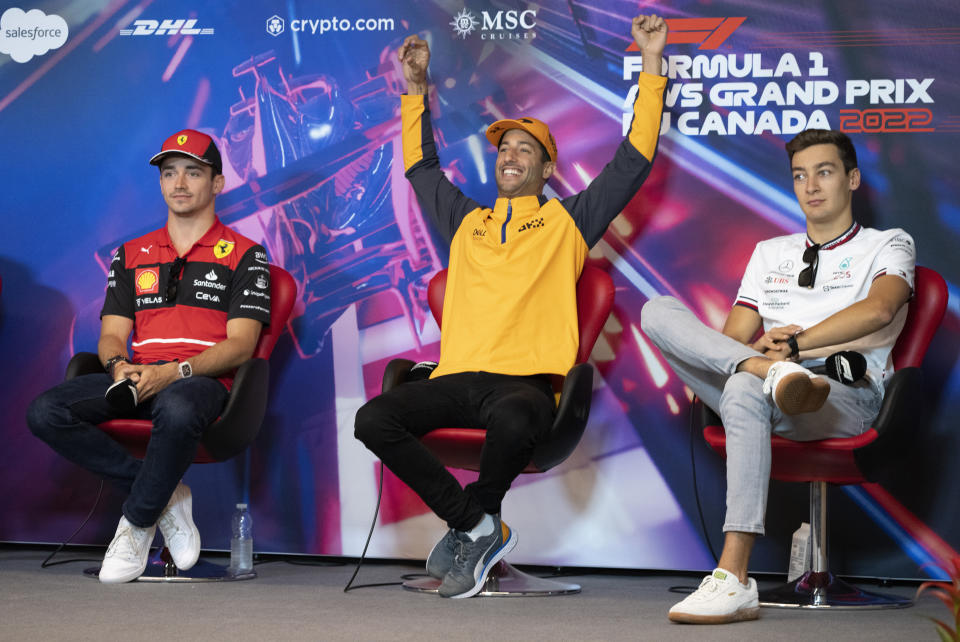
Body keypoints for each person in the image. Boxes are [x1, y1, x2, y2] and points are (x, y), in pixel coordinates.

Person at [354, 16, 668, 598]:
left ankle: (477, 522)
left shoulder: (567, 222)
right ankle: (475, 524)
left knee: (518, 417)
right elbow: (422, 169)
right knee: (372, 418)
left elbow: (633, 162)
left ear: (547, 170)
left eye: (526, 149)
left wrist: (651, 67)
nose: (510, 155)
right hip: (458, 378)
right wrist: (416, 90)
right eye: (504, 147)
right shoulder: (467, 222)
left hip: (523, 384)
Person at [641, 129, 915, 623]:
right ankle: (768, 374)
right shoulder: (770, 253)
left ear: (851, 179)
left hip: (842, 394)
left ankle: (732, 577)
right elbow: (726, 343)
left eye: (825, 172)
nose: (811, 185)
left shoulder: (889, 243)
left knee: (746, 384)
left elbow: (879, 309)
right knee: (658, 311)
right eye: (800, 176)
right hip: (765, 378)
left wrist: (795, 344)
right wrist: (758, 353)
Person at [27, 129, 272, 583]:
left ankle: (137, 523)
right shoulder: (132, 253)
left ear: (217, 183)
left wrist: (172, 372)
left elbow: (241, 346)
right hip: (138, 375)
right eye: (169, 173)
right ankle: (164, 498)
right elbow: (111, 335)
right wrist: (121, 367)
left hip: (201, 380)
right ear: (160, 183)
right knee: (46, 411)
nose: (179, 183)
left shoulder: (246, 255)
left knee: (178, 407)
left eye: (193, 173)